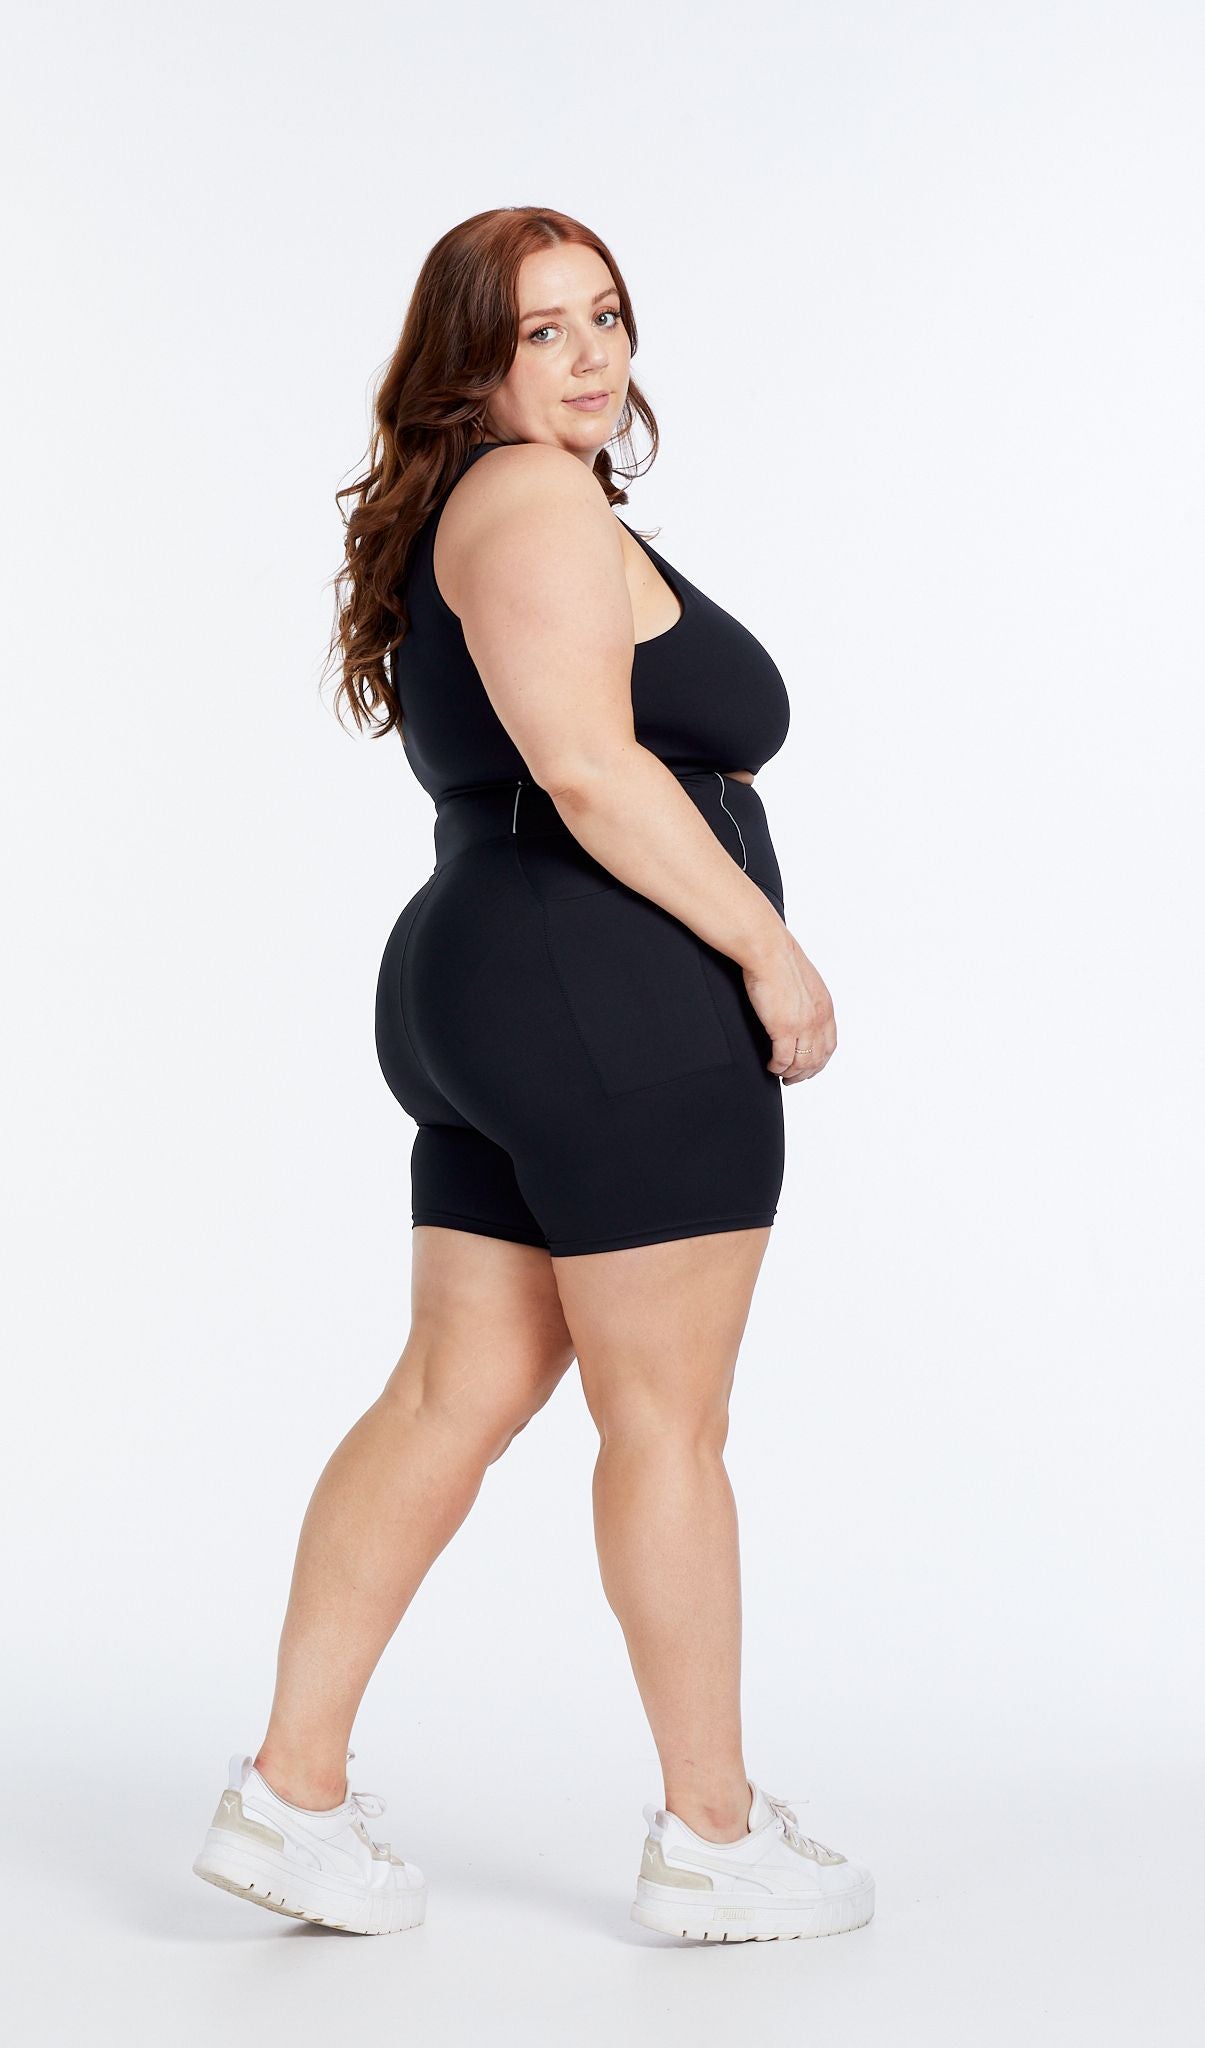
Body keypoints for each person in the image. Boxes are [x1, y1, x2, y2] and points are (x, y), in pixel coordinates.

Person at [191, 207, 873, 1943]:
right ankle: (713, 1838)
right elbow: (585, 764)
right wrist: (769, 952)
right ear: (468, 362)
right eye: (540, 331)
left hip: (483, 980)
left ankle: (289, 1799)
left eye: (606, 318)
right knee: (666, 1422)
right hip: (609, 993)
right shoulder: (537, 503)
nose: (588, 358)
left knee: (456, 1389)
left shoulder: (470, 506)